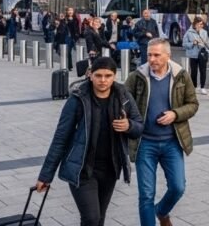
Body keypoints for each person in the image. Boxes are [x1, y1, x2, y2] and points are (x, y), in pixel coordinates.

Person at [36, 57, 144, 226]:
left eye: (108, 76)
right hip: (83, 169)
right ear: (90, 75)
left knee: (98, 218)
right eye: (98, 75)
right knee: (91, 218)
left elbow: (139, 127)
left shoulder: (123, 96)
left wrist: (129, 125)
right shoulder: (78, 99)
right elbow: (60, 138)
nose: (103, 80)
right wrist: (45, 175)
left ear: (114, 76)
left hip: (110, 169)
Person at [126, 38, 199, 226]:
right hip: (145, 143)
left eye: (157, 55)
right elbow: (124, 103)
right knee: (146, 195)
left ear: (168, 55)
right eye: (149, 54)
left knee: (178, 187)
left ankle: (161, 210)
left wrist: (175, 114)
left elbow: (193, 104)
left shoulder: (181, 76)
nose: (152, 59)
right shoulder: (137, 76)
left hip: (172, 142)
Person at [182, 16, 209, 95]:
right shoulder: (188, 32)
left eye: (202, 24)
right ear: (195, 24)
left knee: (203, 71)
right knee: (194, 72)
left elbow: (208, 44)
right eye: (200, 24)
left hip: (202, 54)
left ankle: (202, 87)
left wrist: (207, 51)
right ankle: (194, 87)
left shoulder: (204, 32)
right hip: (193, 55)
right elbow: (184, 45)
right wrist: (192, 43)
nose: (201, 26)